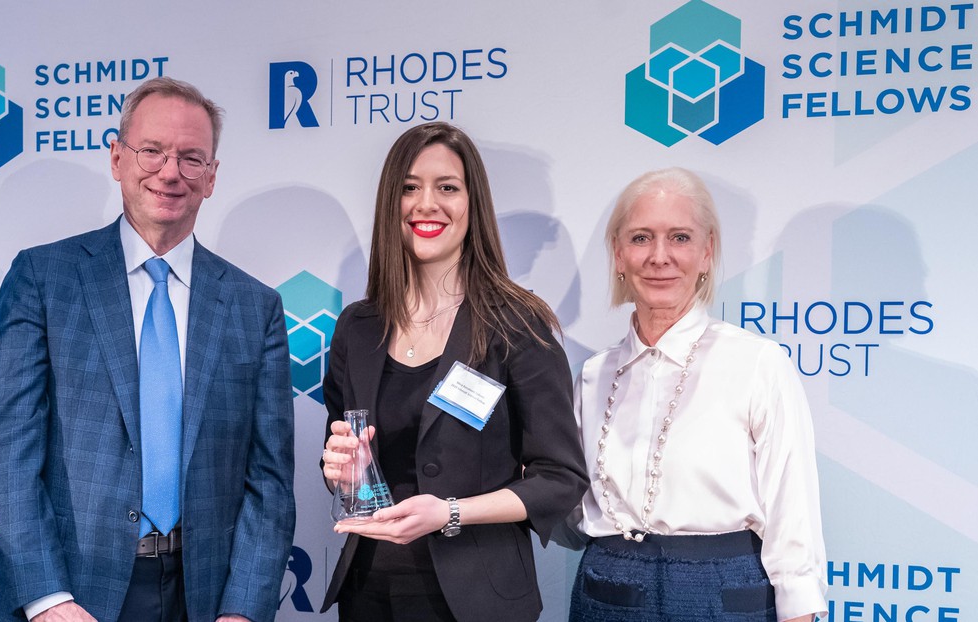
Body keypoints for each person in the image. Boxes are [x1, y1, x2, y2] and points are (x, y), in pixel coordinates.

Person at [0, 77, 295, 622]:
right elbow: (7, 455)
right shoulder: (43, 279)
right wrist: (49, 600)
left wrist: (243, 608)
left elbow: (270, 482)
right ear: (118, 157)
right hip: (69, 594)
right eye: (152, 151)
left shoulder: (254, 306)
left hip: (204, 598)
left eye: (191, 158)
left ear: (212, 177)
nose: (170, 172)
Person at [318, 121, 588, 622]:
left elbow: (560, 478)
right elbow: (340, 456)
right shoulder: (358, 326)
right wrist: (343, 471)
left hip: (477, 599)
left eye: (447, 188)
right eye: (409, 188)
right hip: (368, 592)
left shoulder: (516, 323)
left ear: (473, 204)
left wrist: (450, 511)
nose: (426, 204)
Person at [565, 168, 826, 621]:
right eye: (641, 238)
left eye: (680, 238)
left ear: (707, 252)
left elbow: (793, 516)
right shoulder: (592, 375)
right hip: (605, 593)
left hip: (723, 596)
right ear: (618, 255)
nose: (659, 257)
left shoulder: (758, 364)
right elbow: (572, 513)